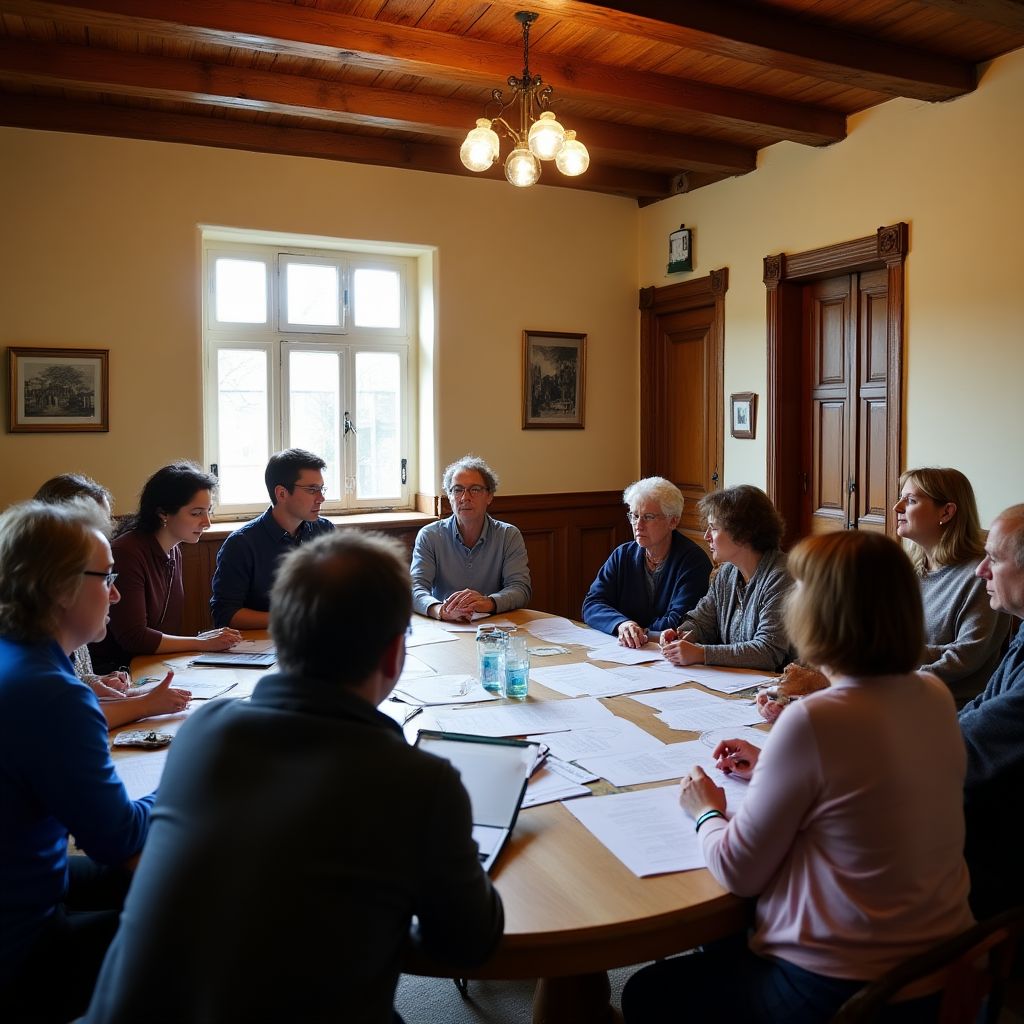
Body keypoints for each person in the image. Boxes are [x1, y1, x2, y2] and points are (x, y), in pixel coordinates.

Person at [84, 531, 504, 1023]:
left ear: (280, 637)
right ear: (394, 655)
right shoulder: (419, 781)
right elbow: (469, 943)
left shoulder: (204, 731)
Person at [622, 531, 974, 1024]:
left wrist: (703, 810)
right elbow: (866, 785)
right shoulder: (932, 693)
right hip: (942, 968)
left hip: (843, 990)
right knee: (721, 947)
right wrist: (771, 765)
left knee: (647, 992)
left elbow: (738, 871)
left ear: (819, 614)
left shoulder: (813, 719)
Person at [0, 500, 157, 1024]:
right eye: (107, 577)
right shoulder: (52, 694)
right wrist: (189, 780)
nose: (115, 592)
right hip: (20, 948)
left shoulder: (18, 656)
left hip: (28, 879)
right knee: (202, 909)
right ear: (58, 586)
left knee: (159, 877)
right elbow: (121, 840)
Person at [34, 473, 192, 727]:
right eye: (95, 526)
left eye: (105, 525)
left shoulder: (70, 609)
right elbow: (63, 714)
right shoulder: (42, 618)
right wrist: (145, 704)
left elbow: (72, 681)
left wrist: (96, 682)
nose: (105, 536)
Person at [86, 462, 241, 674]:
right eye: (196, 513)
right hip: (115, 672)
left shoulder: (174, 548)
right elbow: (135, 638)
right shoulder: (127, 553)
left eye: (208, 512)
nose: (207, 523)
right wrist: (200, 643)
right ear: (163, 513)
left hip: (151, 664)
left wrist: (200, 641)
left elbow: (163, 630)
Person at [895, 467, 1010, 705]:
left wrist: (896, 677)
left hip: (950, 707)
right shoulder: (911, 570)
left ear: (947, 512)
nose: (897, 508)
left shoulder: (981, 575)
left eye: (911, 500)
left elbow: (967, 654)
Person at [959, 503, 1024, 918]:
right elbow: (978, 711)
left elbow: (963, 748)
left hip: (995, 870)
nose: (981, 570)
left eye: (994, 559)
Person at [660, 484, 792, 671]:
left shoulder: (782, 577)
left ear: (743, 533)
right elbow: (702, 621)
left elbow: (768, 652)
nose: (706, 536)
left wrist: (701, 654)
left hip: (781, 690)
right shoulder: (727, 572)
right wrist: (683, 634)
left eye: (713, 528)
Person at [210, 448, 334, 628]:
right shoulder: (242, 543)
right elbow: (225, 615)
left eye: (321, 489)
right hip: (266, 645)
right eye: (312, 490)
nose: (321, 498)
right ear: (282, 493)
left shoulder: (325, 531)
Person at [582, 477, 711, 647]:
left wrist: (640, 633)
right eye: (634, 516)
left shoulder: (693, 562)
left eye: (648, 517)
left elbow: (680, 621)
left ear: (673, 521)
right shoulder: (623, 555)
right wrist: (622, 624)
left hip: (670, 655)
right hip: (626, 651)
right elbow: (592, 604)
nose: (638, 525)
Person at [411, 455, 531, 622]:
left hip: (494, 627)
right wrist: (441, 610)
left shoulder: (508, 535)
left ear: (489, 496)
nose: (464, 497)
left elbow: (520, 589)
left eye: (474, 489)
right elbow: (414, 588)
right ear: (450, 496)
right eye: (458, 489)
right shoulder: (430, 535)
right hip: (445, 627)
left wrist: (488, 602)